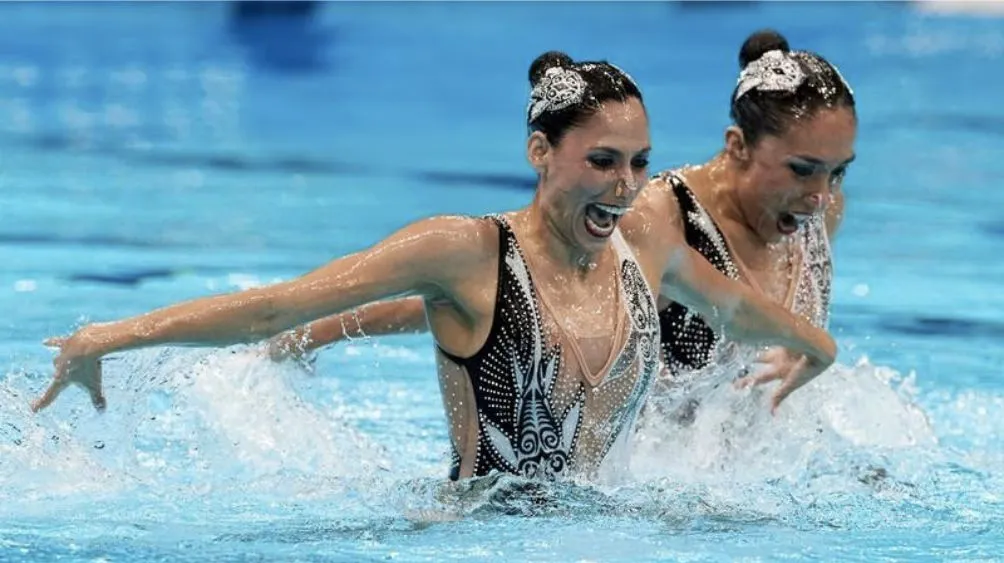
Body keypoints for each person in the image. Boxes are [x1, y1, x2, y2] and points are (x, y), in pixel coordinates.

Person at [32, 51, 836, 482]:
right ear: (540, 152)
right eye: (601, 160)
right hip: (482, 539)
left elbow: (734, 308)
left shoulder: (643, 246)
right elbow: (283, 302)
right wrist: (109, 335)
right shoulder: (466, 249)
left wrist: (818, 348)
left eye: (638, 162)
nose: (625, 185)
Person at [267, 30, 855, 414]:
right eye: (803, 170)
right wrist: (319, 330)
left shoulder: (820, 211)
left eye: (838, 172)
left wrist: (805, 350)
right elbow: (494, 301)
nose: (820, 195)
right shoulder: (653, 218)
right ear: (737, 145)